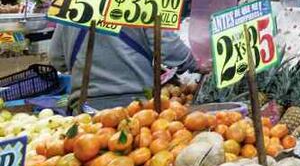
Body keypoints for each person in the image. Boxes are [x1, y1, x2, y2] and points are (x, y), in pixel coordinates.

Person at [49, 23, 196, 110]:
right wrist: (196, 63)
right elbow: (170, 49)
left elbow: (57, 59)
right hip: (136, 107)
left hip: (85, 108)